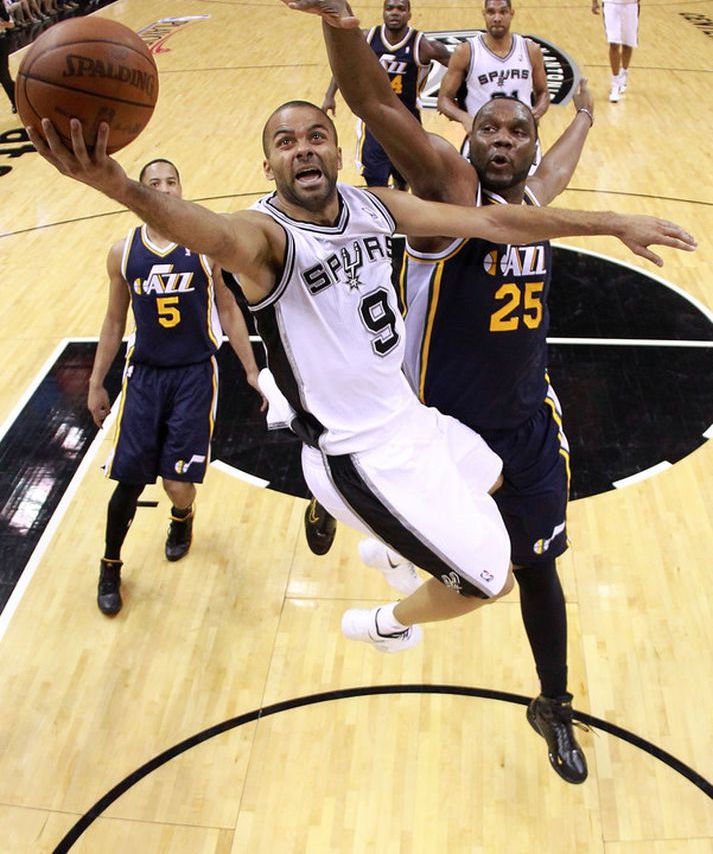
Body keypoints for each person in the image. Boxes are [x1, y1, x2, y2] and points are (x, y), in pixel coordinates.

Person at [28, 93, 693, 671]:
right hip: (355, 451)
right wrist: (120, 187)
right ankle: (385, 623)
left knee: (496, 479)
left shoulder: (372, 207)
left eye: (316, 136)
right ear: (267, 167)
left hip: (408, 417)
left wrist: (612, 222)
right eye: (284, 142)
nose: (303, 149)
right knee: (490, 585)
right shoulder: (265, 239)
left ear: (339, 154)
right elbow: (210, 232)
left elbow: (495, 220)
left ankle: (400, 548)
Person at [247, 0, 688, 785]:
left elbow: (555, 168)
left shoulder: (535, 195)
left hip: (522, 423)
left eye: (516, 128)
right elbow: (373, 105)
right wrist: (343, 27)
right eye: (485, 124)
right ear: (465, 134)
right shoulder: (450, 191)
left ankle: (551, 702)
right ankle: (334, 502)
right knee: (393, 494)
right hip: (427, 420)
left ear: (529, 141)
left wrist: (585, 114)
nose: (500, 137)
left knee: (538, 564)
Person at [87, 158, 264, 616]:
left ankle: (182, 516)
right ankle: (110, 565)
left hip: (194, 375)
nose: (164, 189)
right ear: (141, 193)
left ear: (181, 189)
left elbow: (228, 310)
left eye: (170, 182)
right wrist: (95, 383)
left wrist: (250, 369)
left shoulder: (204, 248)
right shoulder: (123, 252)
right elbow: (112, 322)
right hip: (144, 376)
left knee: (177, 483)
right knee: (126, 482)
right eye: (153, 183)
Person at [322, 0, 451, 189]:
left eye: (400, 9)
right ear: (383, 11)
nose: (394, 13)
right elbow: (346, 65)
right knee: (375, 180)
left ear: (409, 14)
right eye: (390, 8)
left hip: (408, 120)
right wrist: (329, 96)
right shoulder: (368, 38)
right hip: (375, 120)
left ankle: (400, 202)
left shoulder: (422, 45)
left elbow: (458, 67)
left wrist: (449, 95)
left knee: (406, 176)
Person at [437, 0, 549, 156]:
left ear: (511, 14)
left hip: (521, 140)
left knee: (532, 182)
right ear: (484, 14)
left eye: (503, 12)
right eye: (491, 12)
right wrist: (465, 118)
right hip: (483, 140)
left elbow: (543, 93)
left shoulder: (531, 50)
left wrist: (538, 110)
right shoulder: (466, 51)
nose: (497, 18)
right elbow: (444, 99)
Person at [0, 0, 16, 113]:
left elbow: (11, 25)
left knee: (3, 75)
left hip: (1, 42)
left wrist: (2, 24)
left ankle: (15, 101)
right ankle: (16, 91)